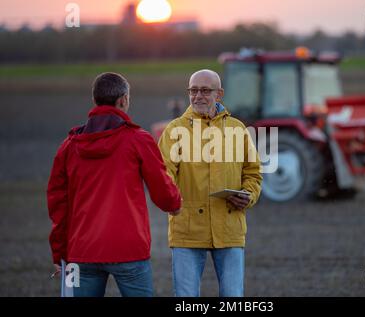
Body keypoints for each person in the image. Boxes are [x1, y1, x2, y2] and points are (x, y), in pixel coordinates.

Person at [47, 72, 181, 297]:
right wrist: (174, 204)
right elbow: (162, 188)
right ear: (123, 100)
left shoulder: (68, 147)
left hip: (79, 253)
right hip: (129, 251)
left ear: (95, 100)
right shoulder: (138, 139)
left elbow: (57, 206)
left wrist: (59, 254)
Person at [158, 69, 262, 297]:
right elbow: (163, 175)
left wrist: (247, 195)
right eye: (193, 90)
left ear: (220, 94)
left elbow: (253, 173)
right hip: (187, 228)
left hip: (229, 225)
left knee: (233, 297)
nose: (198, 96)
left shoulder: (238, 129)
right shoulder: (174, 130)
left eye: (205, 90)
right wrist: (176, 203)